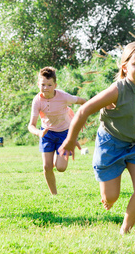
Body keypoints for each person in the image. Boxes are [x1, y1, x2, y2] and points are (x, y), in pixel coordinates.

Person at [58, 42, 135, 234]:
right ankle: (107, 196)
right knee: (111, 197)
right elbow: (84, 110)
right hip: (111, 144)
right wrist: (70, 139)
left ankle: (126, 230)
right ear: (125, 66)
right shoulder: (117, 90)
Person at [28, 67, 87, 195]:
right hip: (47, 133)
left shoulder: (63, 97)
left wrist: (82, 118)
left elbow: (83, 102)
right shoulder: (37, 100)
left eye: (49, 85)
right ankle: (54, 195)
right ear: (38, 84)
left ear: (55, 85)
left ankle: (60, 152)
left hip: (65, 133)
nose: (45, 88)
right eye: (43, 84)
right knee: (46, 167)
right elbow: (31, 125)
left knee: (60, 167)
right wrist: (39, 132)